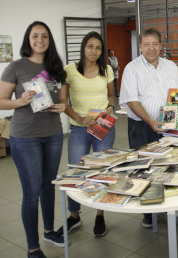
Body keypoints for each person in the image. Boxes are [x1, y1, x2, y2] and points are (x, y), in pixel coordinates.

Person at [0, 21, 67, 258]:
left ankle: (49, 230)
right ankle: (33, 248)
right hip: (25, 137)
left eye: (44, 36)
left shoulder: (57, 68)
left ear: (49, 40)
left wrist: (61, 106)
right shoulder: (15, 67)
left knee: (49, 186)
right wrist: (20, 101)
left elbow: (64, 101)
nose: (40, 40)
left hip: (54, 134)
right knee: (31, 193)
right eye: (35, 36)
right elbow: (1, 102)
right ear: (28, 39)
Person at [120, 27, 178, 228]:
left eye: (155, 44)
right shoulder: (132, 68)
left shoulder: (171, 66)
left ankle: (167, 205)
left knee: (168, 165)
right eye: (146, 44)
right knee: (144, 167)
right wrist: (150, 121)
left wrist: (176, 121)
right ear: (140, 46)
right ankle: (148, 212)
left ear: (161, 46)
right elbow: (131, 100)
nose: (151, 48)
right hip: (141, 126)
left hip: (168, 126)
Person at [58, 31, 115, 237]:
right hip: (79, 127)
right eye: (90, 46)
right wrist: (80, 118)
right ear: (83, 47)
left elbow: (111, 95)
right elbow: (63, 102)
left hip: (103, 126)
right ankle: (74, 216)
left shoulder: (106, 69)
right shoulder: (69, 70)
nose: (94, 51)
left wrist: (108, 109)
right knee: (75, 171)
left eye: (98, 48)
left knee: (102, 170)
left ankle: (100, 215)